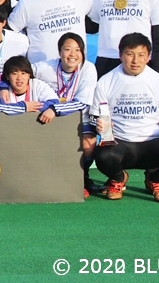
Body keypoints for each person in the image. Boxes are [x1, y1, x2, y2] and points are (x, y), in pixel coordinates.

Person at [91, 33, 159, 203]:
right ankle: (117, 179)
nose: (135, 60)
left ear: (148, 57)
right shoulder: (106, 81)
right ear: (120, 55)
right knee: (102, 156)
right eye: (130, 54)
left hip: (152, 143)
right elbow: (95, 116)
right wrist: (98, 125)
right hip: (121, 143)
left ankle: (156, 180)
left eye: (141, 55)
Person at [32, 32, 99, 197]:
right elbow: (18, 71)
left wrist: (55, 109)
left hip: (78, 120)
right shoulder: (45, 67)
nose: (72, 55)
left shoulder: (88, 69)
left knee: (88, 144)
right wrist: (3, 87)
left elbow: (83, 103)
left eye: (77, 50)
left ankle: (82, 178)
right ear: (59, 52)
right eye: (67, 49)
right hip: (49, 120)